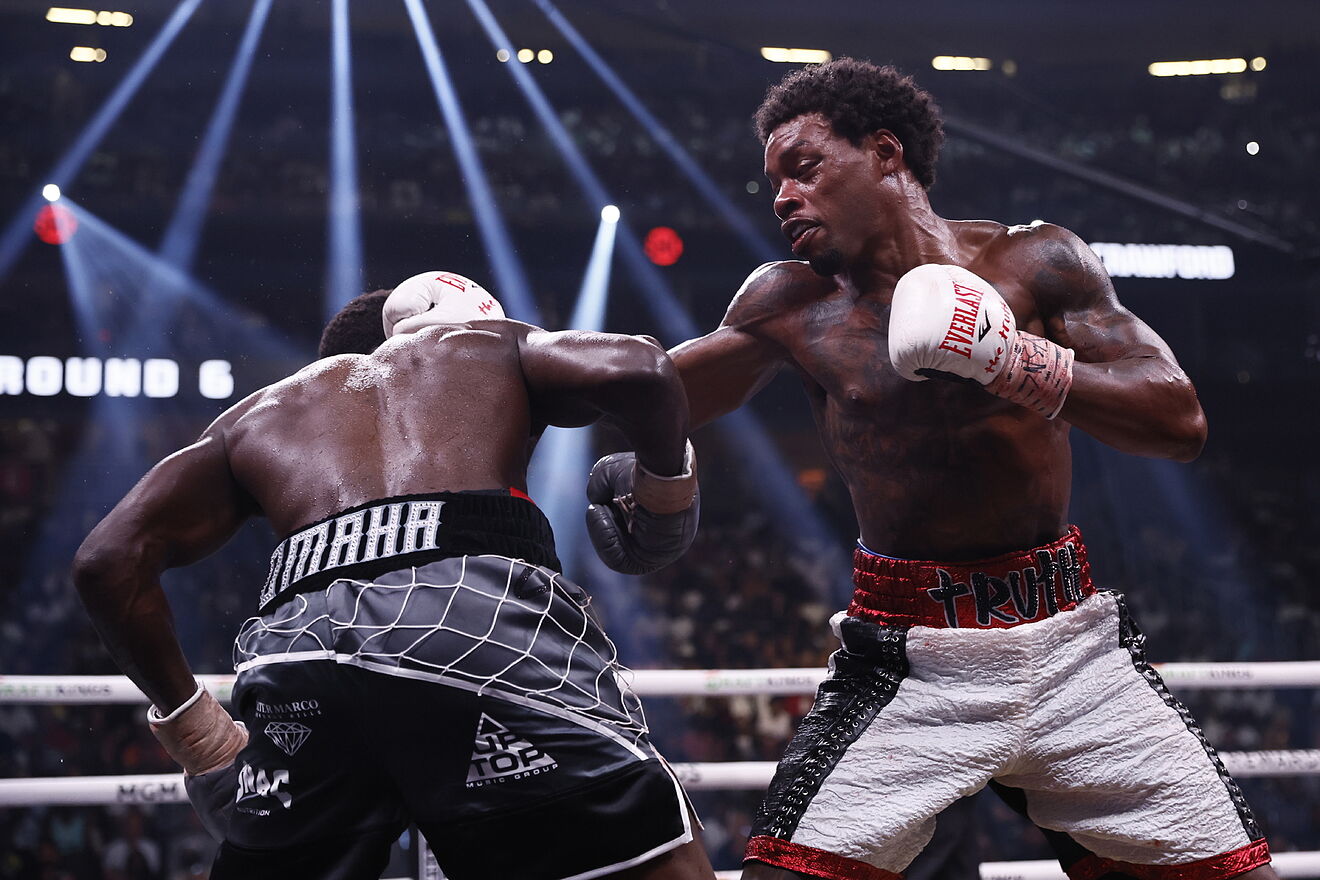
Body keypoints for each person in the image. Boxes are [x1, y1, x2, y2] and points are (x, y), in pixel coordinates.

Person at [667, 59, 1275, 880]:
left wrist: (1012, 361)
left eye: (803, 168)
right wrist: (495, 360)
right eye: (772, 182)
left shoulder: (1037, 261)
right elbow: (649, 393)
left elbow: (1178, 420)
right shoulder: (790, 303)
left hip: (1072, 646)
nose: (781, 197)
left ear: (886, 154)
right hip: (908, 655)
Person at [73, 272, 712, 880]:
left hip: (296, 657)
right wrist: (665, 495)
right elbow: (642, 367)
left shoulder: (257, 415)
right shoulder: (479, 346)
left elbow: (106, 563)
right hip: (469, 623)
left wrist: (199, 737)